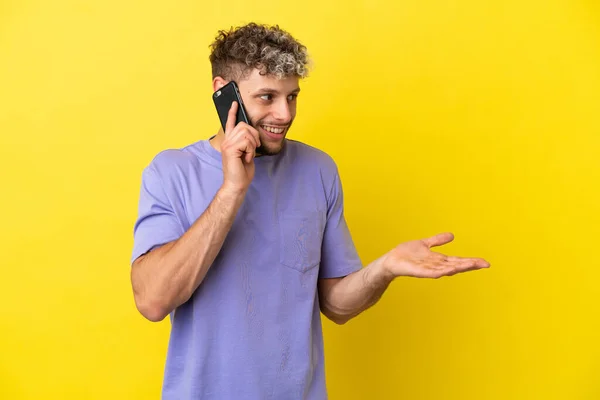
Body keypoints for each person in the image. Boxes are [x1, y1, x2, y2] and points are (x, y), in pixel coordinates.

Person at [130, 22, 490, 400]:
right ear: (224, 93)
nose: (284, 114)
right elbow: (153, 301)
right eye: (267, 97)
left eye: (292, 96)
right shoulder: (171, 172)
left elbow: (336, 305)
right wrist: (232, 190)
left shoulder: (318, 170)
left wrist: (383, 270)